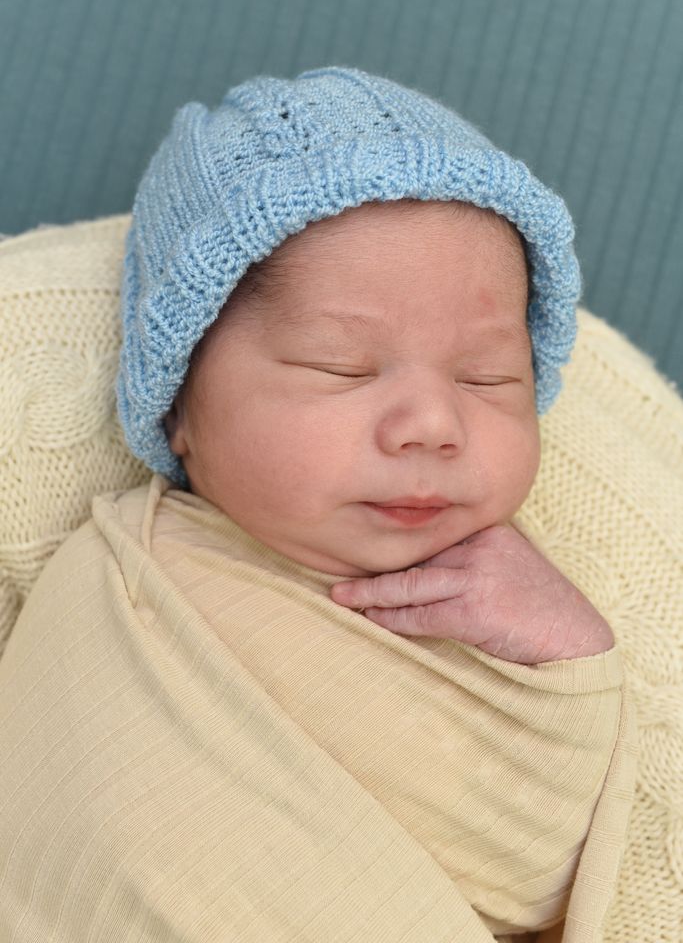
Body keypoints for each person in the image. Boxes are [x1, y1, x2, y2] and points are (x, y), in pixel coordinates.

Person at [0, 67, 637, 943]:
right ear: (179, 405)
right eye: (340, 367)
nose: (433, 425)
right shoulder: (113, 601)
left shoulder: (512, 600)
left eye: (486, 378)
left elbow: (530, 878)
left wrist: (572, 660)